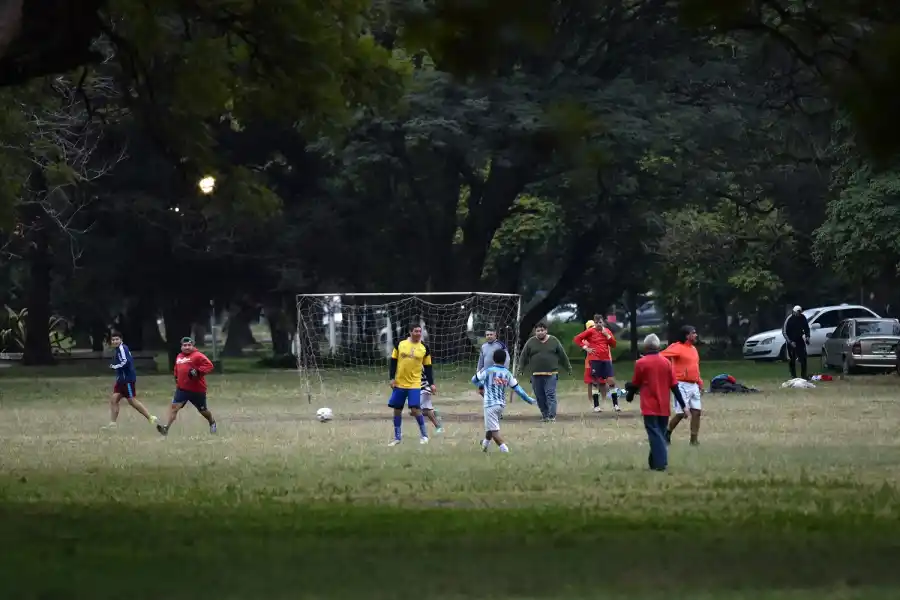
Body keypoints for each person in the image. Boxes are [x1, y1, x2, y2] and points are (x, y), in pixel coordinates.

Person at [625, 334, 687, 471]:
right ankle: (653, 463)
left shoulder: (640, 363)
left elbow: (635, 383)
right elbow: (674, 386)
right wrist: (683, 405)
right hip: (664, 406)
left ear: (645, 347)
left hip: (649, 406)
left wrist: (629, 396)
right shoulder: (667, 363)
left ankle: (661, 463)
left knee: (655, 434)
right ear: (658, 346)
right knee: (659, 433)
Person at [472, 348, 537, 453]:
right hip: (501, 405)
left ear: (493, 359)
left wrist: (481, 386)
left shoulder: (488, 371)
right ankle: (485, 445)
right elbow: (517, 389)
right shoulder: (507, 373)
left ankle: (505, 451)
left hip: (490, 404)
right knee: (490, 426)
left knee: (494, 431)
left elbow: (474, 380)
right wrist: (528, 399)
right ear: (505, 360)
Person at [156, 337, 216, 436]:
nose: (187, 347)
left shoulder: (198, 356)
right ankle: (166, 428)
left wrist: (198, 371)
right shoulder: (179, 356)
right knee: (174, 408)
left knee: (203, 410)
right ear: (181, 347)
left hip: (197, 390)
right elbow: (177, 369)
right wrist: (176, 378)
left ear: (193, 346)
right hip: (182, 389)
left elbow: (209, 366)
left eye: (189, 345)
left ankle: (212, 422)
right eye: (185, 345)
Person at [388, 324, 434, 446]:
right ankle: (397, 437)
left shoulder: (424, 347)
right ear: (410, 332)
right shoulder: (400, 344)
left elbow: (428, 367)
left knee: (415, 408)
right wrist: (392, 378)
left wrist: (432, 383)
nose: (419, 333)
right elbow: (393, 362)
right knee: (397, 410)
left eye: (420, 331)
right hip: (399, 383)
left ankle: (424, 436)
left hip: (414, 383)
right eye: (416, 331)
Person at [104, 331, 159, 430]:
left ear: (121, 340)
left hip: (127, 380)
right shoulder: (117, 350)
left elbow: (126, 361)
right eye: (113, 340)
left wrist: (115, 366)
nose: (115, 341)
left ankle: (150, 417)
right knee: (114, 399)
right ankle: (112, 424)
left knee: (132, 401)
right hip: (121, 380)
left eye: (117, 339)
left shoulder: (122, 348)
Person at [518, 322, 571, 422]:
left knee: (550, 394)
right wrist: (521, 369)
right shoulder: (531, 342)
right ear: (535, 332)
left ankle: (552, 416)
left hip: (551, 373)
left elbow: (562, 355)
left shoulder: (554, 341)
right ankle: (545, 415)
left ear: (546, 331)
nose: (540, 332)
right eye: (538, 331)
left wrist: (568, 367)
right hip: (536, 374)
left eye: (542, 330)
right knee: (539, 396)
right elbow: (523, 356)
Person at [661, 325, 703, 446]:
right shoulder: (677, 347)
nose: (696, 335)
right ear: (686, 336)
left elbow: (695, 366)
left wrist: (699, 380)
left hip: (693, 384)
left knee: (697, 412)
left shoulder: (694, 349)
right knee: (681, 413)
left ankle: (693, 440)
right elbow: (662, 355)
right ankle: (667, 433)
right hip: (681, 384)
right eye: (693, 333)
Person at [573, 314, 620, 413]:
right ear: (594, 323)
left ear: (603, 322)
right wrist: (586, 348)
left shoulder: (607, 331)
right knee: (595, 382)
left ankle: (616, 405)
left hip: (606, 359)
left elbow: (614, 344)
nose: (598, 324)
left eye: (600, 322)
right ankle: (596, 406)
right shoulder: (590, 331)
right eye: (596, 322)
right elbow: (577, 339)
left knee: (611, 381)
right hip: (594, 359)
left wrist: (607, 336)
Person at [476, 329, 509, 396]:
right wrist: (478, 371)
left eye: (491, 334)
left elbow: (507, 358)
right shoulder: (483, 346)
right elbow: (481, 359)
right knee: (481, 391)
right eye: (487, 335)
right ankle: (489, 402)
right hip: (485, 372)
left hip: (496, 373)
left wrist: (505, 370)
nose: (489, 336)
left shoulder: (500, 345)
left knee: (495, 391)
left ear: (495, 335)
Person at [782, 305, 811, 380]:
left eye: (800, 312)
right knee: (792, 359)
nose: (799, 314)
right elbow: (784, 332)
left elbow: (806, 328)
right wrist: (790, 342)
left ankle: (803, 375)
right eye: (797, 312)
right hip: (791, 341)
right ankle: (793, 376)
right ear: (794, 312)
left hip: (799, 340)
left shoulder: (802, 318)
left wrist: (807, 336)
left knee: (803, 357)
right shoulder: (789, 319)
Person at [581, 320, 602, 409]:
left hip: (601, 362)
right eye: (590, 327)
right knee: (592, 383)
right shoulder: (586, 338)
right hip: (590, 363)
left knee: (601, 382)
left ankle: (598, 400)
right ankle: (594, 403)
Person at [416, 368, 444, 434]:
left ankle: (438, 427)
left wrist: (431, 385)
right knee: (421, 411)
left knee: (415, 410)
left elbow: (429, 374)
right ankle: (434, 414)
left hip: (425, 388)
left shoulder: (423, 364)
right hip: (418, 389)